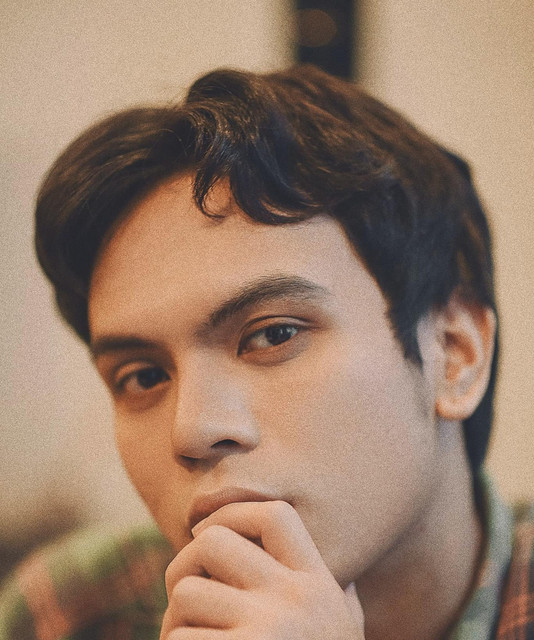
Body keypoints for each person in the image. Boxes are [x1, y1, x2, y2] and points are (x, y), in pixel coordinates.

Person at [0, 65, 532, 640]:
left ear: (455, 354)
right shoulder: (67, 613)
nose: (192, 430)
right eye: (144, 376)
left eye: (273, 335)